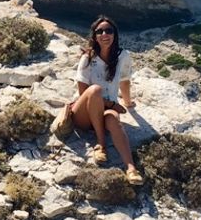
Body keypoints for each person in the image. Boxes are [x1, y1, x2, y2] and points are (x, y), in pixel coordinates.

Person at [51, 14, 143, 185]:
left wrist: (128, 103)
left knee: (114, 119)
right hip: (85, 113)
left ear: (115, 34)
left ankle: (131, 169)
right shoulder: (88, 58)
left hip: (105, 112)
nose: (104, 34)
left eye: (108, 30)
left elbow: (124, 80)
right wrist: (111, 104)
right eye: (99, 31)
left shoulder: (123, 56)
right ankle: (100, 145)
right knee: (95, 90)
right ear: (94, 36)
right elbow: (83, 92)